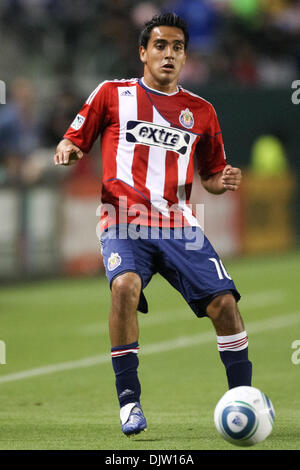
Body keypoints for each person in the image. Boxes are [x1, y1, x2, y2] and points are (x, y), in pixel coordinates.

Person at [54, 13, 252, 437]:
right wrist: (68, 148)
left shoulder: (202, 111)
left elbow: (212, 177)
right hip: (122, 219)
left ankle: (244, 400)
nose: (169, 54)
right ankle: (129, 403)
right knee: (124, 285)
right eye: (160, 46)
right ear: (143, 53)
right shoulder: (112, 94)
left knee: (226, 308)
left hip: (178, 223)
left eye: (177, 47)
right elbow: (74, 138)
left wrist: (224, 180)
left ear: (185, 57)